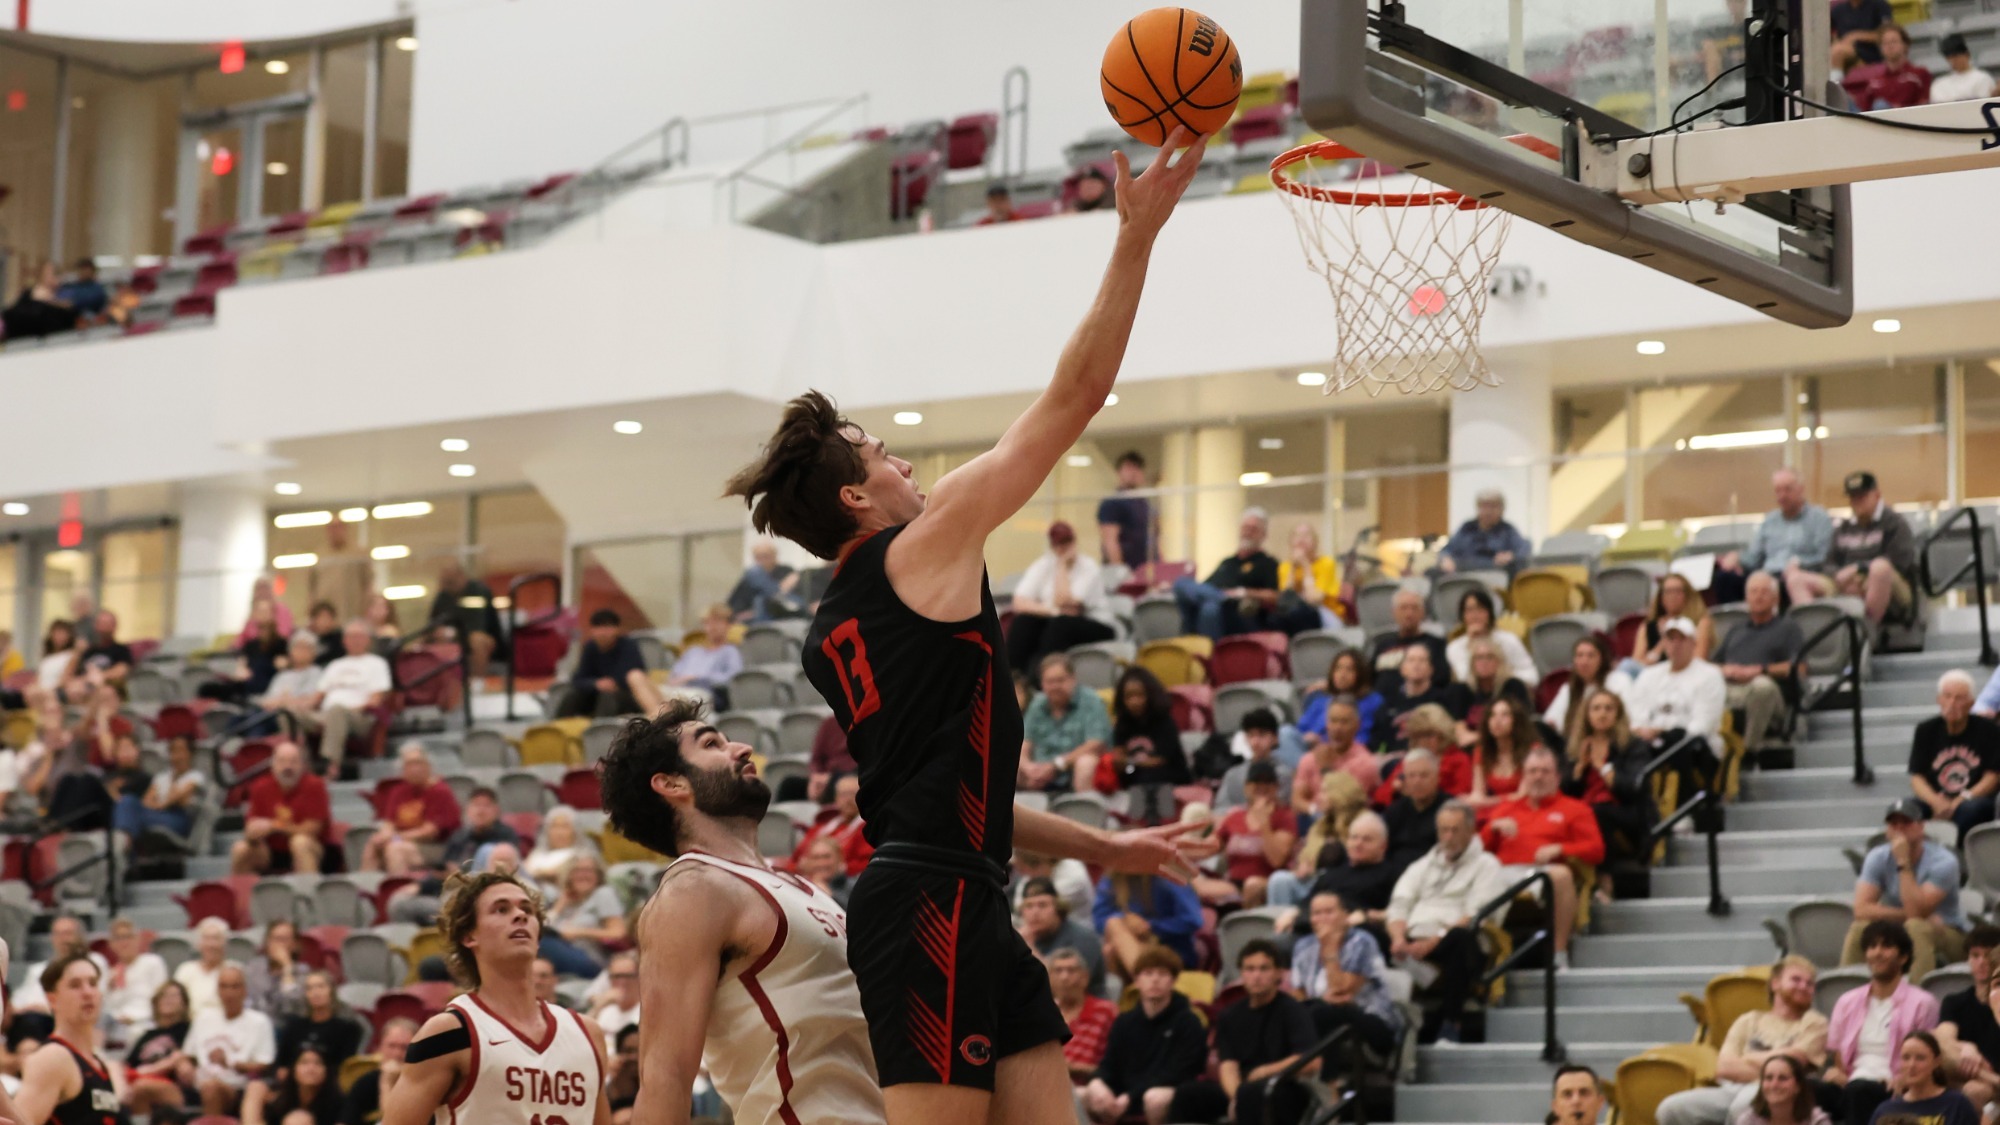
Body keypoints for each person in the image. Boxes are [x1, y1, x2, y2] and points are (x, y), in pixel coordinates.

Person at [726, 132, 1206, 1123]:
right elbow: (1071, 401)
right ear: (858, 496)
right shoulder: (920, 549)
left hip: (958, 888)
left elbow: (947, 806)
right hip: (928, 910)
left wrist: (1101, 849)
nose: (907, 463)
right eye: (886, 454)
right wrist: (1136, 236)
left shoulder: (836, 623)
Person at [594, 698, 886, 1124]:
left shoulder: (798, 885)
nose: (742, 748)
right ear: (673, 784)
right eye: (712, 744)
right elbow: (666, 1078)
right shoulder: (693, 891)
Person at [377, 871, 607, 1125]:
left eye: (527, 910)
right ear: (469, 936)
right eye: (501, 909)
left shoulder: (587, 1033)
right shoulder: (451, 1032)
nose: (520, 915)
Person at [1386, 799, 1508, 1044]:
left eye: (1455, 830)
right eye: (1443, 830)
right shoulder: (1421, 866)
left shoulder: (1487, 865)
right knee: (1367, 935)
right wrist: (1398, 939)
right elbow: (1399, 905)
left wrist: (1432, 942)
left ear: (1471, 831)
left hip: (1457, 939)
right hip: (1413, 939)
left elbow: (1476, 915)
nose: (1448, 837)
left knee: (1460, 939)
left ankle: (1451, 1024)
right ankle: (1388, 1026)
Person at [1654, 955, 1827, 1125]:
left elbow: (1795, 1060)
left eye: (1810, 984)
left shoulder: (1815, 1022)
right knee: (1670, 1108)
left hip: (1778, 1091)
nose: (1804, 987)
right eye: (1796, 980)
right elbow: (1724, 1067)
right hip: (1731, 1089)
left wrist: (1747, 1059)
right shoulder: (1749, 1019)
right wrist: (1777, 1060)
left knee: (1743, 1108)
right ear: (1775, 983)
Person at [1165, 939, 1318, 1125]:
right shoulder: (1229, 1015)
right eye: (1250, 969)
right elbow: (1228, 1065)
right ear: (1241, 973)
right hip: (1242, 1088)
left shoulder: (1293, 1010)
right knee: (1187, 1094)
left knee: (1252, 1093)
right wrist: (1236, 1098)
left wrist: (1266, 1071)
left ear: (1278, 973)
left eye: (1264, 969)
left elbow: (1311, 1061)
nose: (1256, 976)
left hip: (1283, 1087)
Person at [1481, 747, 1605, 969]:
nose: (1538, 777)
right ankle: (1482, 952)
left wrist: (1561, 849)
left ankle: (1558, 952)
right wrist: (1493, 828)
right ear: (1524, 777)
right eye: (1533, 771)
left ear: (1557, 777)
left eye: (1545, 771)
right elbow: (1477, 849)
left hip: (1542, 875)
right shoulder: (1506, 808)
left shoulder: (1575, 809)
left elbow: (1596, 850)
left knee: (1561, 874)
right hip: (1503, 873)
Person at [1824, 920, 1942, 1125]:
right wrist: (1837, 1074)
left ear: (1903, 957)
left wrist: (1905, 1078)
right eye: (1872, 946)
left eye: (1886, 946)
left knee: (1859, 1091)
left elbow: (1926, 1055)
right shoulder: (1847, 1001)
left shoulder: (1923, 1003)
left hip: (1893, 1085)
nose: (1877, 953)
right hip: (1851, 1083)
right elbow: (1838, 1057)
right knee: (1805, 1088)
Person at [1843, 799, 1970, 980]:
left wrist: (1903, 862)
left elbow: (1916, 912)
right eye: (1894, 824)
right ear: (1887, 830)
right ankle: (1847, 999)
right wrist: (1906, 915)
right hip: (1909, 926)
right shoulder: (1878, 857)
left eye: (1906, 823)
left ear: (1921, 827)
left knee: (1917, 927)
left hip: (1949, 932)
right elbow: (1861, 910)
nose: (1899, 829)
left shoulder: (1944, 861)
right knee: (1860, 928)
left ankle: (1917, 1001)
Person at [1081, 945, 1207, 1125]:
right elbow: (1109, 1064)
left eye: (1162, 974)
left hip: (1165, 1094)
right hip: (1123, 1094)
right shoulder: (1124, 1021)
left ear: (1173, 980)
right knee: (1082, 1093)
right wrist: (1098, 1082)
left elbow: (1179, 1072)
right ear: (1137, 981)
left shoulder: (1189, 1022)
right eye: (1148, 973)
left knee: (1154, 1098)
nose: (1155, 980)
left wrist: (1131, 1096)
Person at [1790, 472, 1919, 629]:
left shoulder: (1895, 523)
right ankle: (1816, 634)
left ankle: (1866, 631)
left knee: (1880, 567)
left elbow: (1900, 562)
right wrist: (1838, 576)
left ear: (1877, 496)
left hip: (1888, 585)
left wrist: (1859, 570)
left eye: (1862, 497)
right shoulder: (1843, 527)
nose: (1857, 502)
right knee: (1796, 579)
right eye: (1853, 497)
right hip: (1846, 582)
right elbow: (1828, 562)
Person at [1289, 889, 1402, 1059]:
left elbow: (1342, 992)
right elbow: (1299, 994)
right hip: (1323, 1013)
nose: (1322, 918)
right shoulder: (1303, 946)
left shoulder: (1362, 942)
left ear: (1345, 916)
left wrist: (1330, 948)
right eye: (1317, 913)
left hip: (1372, 1020)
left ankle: (1327, 1079)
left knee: (1323, 1013)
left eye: (1329, 912)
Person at [14, 955, 126, 1125]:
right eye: (75, 985)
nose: (88, 992)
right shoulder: (53, 1057)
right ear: (53, 999)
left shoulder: (99, 1062)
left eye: (93, 983)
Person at [1625, 616, 1727, 796]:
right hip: (1651, 740)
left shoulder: (1710, 675)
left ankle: (1687, 804)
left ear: (1693, 643)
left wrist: (1662, 732)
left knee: (1679, 740)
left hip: (1694, 744)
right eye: (1670, 639)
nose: (1675, 644)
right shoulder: (1649, 675)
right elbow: (1636, 713)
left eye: (1682, 639)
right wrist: (1642, 730)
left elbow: (1702, 725)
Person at [1560, 689, 1657, 879]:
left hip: (1627, 811)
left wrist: (1602, 767)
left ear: (1618, 715)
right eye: (1596, 708)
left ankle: (1605, 879)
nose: (1602, 713)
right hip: (1585, 809)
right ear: (1587, 715)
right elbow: (1564, 792)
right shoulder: (1576, 746)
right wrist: (1579, 769)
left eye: (1608, 708)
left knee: (1596, 812)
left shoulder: (1632, 745)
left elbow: (1633, 788)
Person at [1713, 570, 1805, 757]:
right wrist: (1726, 669)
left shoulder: (1788, 628)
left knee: (1761, 686)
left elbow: (1799, 668)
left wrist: (1759, 670)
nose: (1758, 597)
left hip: (1770, 693)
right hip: (1732, 687)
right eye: (1754, 592)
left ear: (1775, 599)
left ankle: (1748, 751)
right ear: (1746, 598)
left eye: (1764, 592)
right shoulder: (1736, 629)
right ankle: (1712, 751)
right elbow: (1712, 665)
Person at [1004, 521, 1116, 672]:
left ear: (1074, 541)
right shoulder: (1043, 565)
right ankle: (1014, 677)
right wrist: (1052, 611)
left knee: (1060, 625)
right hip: (1057, 618)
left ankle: (1045, 677)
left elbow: (1066, 604)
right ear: (1052, 546)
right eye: (1059, 544)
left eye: (1067, 542)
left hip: (1096, 624)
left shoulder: (1088, 567)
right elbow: (1019, 602)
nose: (1063, 547)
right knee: (1023, 622)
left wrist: (1062, 565)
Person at [1714, 468, 1834, 605]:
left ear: (1801, 489)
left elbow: (1824, 557)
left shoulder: (1819, 518)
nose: (1782, 496)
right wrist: (1737, 557)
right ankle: (1735, 624)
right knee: (1723, 578)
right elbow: (1753, 558)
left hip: (1799, 576)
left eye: (1787, 489)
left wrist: (1799, 563)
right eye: (1778, 491)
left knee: (1782, 584)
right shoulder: (1770, 521)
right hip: (1768, 576)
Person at [1271, 811, 1400, 938]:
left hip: (1355, 934)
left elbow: (1399, 912)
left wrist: (1367, 916)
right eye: (1354, 837)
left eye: (1367, 839)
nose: (1358, 843)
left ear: (1383, 846)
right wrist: (1291, 912)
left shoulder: (1392, 875)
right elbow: (1307, 902)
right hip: (1310, 931)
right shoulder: (1333, 873)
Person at [288, 621, 390, 777]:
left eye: (359, 636)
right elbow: (316, 698)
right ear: (344, 641)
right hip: (326, 714)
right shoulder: (334, 665)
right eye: (350, 636)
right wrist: (297, 705)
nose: (354, 640)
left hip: (360, 716)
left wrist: (347, 710)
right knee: (289, 714)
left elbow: (376, 700)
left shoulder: (377, 663)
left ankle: (332, 767)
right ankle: (301, 762)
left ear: (368, 640)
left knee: (337, 710)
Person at [1911, 671, 2000, 846]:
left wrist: (1962, 799)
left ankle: (1955, 856)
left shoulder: (1989, 731)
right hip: (1937, 797)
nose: (1952, 704)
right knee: (1905, 810)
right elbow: (1916, 777)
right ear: (1938, 699)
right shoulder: (1926, 730)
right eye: (1947, 696)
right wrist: (1935, 801)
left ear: (1971, 703)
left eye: (1959, 698)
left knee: (1970, 810)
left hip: (1973, 798)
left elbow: (1993, 777)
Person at [1170, 507, 1282, 639]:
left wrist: (1243, 592)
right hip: (1212, 606)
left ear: (1263, 534)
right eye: (1245, 528)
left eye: (1253, 529)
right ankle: (1220, 598)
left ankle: (1209, 653)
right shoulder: (1227, 563)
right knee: (1181, 583)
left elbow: (1275, 596)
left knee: (1210, 608)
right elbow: (1204, 588)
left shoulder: (1268, 563)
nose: (1248, 532)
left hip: (1238, 615)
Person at [187, 964, 276, 1116]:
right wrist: (183, 1065)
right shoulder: (203, 1017)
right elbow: (188, 1054)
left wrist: (230, 1063)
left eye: (235, 987)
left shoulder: (259, 1022)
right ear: (218, 990)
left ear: (245, 990)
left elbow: (264, 1064)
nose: (229, 993)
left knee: (211, 1088)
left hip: (236, 1087)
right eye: (224, 987)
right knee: (145, 1089)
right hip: (197, 1084)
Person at [360, 743, 460, 875]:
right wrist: (383, 837)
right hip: (403, 841)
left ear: (428, 766)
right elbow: (389, 823)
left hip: (437, 847)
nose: (414, 769)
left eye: (418, 763)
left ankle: (399, 891)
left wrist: (395, 838)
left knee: (395, 849)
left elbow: (429, 832)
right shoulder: (398, 791)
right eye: (409, 764)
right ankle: (366, 889)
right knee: (373, 843)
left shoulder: (440, 791)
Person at [1019, 653, 1114, 794]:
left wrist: (1057, 765)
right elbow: (1024, 743)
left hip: (1071, 767)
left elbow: (1096, 744)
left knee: (1086, 763)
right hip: (1039, 771)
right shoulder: (1037, 704)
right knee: (1009, 765)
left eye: (1060, 680)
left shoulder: (1091, 701)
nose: (1055, 686)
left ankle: (1083, 810)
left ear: (1073, 679)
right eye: (1050, 682)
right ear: (1042, 684)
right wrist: (1028, 767)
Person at [233, 740, 331, 875]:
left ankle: (309, 892)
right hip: (270, 851)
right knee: (241, 848)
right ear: (272, 765)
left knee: (299, 842)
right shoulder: (260, 787)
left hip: (312, 847)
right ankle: (240, 894)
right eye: (282, 761)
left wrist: (275, 826)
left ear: (303, 765)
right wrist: (253, 832)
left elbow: (312, 829)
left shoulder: (315, 785)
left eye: (293, 762)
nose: (287, 767)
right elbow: (250, 827)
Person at [1106, 666, 1192, 811]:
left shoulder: (1163, 720)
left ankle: (1161, 818)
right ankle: (1132, 822)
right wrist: (1121, 762)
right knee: (1126, 775)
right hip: (1135, 770)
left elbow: (1160, 759)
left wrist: (1129, 761)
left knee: (1147, 777)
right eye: (1129, 697)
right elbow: (1119, 756)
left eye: (1139, 695)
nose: (1135, 701)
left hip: (1168, 772)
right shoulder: (1122, 723)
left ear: (1150, 695)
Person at [1094, 871, 1205, 982]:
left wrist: (1149, 926)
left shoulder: (1170, 874)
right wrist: (1127, 919)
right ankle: (1145, 988)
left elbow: (1193, 920)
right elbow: (1099, 920)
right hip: (1132, 947)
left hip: (1171, 949)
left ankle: (1146, 986)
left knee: (1111, 942)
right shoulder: (1114, 876)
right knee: (1110, 944)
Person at [1933, 925, 2000, 1106]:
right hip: (1972, 1074)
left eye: (1987, 955)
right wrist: (1966, 1047)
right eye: (1975, 955)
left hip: (1987, 1082)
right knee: (1933, 1045)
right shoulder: (1955, 1001)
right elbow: (1943, 1039)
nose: (1981, 962)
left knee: (1974, 1090)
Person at [539, 851, 627, 978]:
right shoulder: (567, 901)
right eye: (577, 870)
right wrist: (560, 905)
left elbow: (618, 933)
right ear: (569, 875)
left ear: (598, 875)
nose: (583, 875)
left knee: (540, 941)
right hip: (565, 956)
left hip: (592, 959)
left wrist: (578, 932)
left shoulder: (603, 893)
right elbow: (543, 926)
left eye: (589, 870)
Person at [1019, 876, 1105, 997]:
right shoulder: (1025, 936)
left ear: (1058, 908)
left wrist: (1029, 948)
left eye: (1042, 905)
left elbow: (1065, 987)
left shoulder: (1084, 938)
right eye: (1029, 906)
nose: (1035, 912)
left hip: (1084, 1008)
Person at [1291, 701, 1380, 819]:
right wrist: (1314, 810)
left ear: (1357, 725)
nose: (1338, 728)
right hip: (1312, 820)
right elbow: (1296, 802)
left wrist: (1325, 769)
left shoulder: (1365, 763)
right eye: (1333, 721)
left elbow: (1341, 806)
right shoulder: (1310, 758)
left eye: (1344, 722)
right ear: (1326, 724)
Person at [1868, 1031, 1979, 1125]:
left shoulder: (1957, 1104)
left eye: (1920, 1058)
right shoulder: (1885, 1111)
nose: (1912, 1065)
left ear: (1936, 1062)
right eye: (1906, 1058)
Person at [1373, 646, 1467, 754]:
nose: (1416, 665)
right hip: (1394, 760)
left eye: (1422, 660)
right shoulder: (1389, 703)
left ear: (1431, 669)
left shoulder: (1443, 701)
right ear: (1402, 669)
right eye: (1411, 660)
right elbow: (1377, 741)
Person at [556, 609, 649, 718]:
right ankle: (556, 727)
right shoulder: (591, 647)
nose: (603, 632)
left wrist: (610, 684)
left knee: (607, 696)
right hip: (597, 693)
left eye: (608, 627)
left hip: (626, 696)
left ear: (617, 629)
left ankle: (601, 729)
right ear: (592, 630)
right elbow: (578, 678)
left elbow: (634, 676)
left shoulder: (628, 647)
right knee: (573, 695)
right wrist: (595, 683)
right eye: (599, 627)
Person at [124, 980, 194, 1123]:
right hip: (141, 1081)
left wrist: (147, 1072)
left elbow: (183, 1060)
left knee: (142, 1087)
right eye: (164, 996)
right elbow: (127, 1066)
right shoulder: (146, 1035)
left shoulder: (188, 1030)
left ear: (184, 1003)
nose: (168, 1000)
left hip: (175, 1088)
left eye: (174, 996)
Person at [1048, 947, 1117, 1087]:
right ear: (1049, 978)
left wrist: (1071, 1068)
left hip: (1089, 1087)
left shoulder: (1106, 1011)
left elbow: (1116, 1066)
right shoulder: (1043, 1013)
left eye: (1071, 970)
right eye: (1058, 971)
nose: (1064, 977)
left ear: (1085, 977)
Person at [1445, 588, 1539, 689]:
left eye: (1480, 609)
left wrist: (1504, 676)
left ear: (1489, 613)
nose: (1475, 615)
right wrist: (1471, 645)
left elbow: (1532, 676)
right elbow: (1463, 679)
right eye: (1470, 610)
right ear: (1463, 616)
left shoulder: (1509, 640)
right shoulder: (1455, 647)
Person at [1369, 587, 1452, 698]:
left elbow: (1441, 679)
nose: (1409, 614)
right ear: (1393, 613)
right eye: (1403, 608)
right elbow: (1370, 679)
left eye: (1414, 608)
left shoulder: (1436, 644)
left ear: (1423, 613)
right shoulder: (1382, 645)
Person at [1544, 635, 1631, 741]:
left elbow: (1628, 718)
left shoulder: (1619, 680)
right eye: (1579, 656)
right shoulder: (1568, 689)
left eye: (1591, 656)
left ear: (1602, 659)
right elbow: (1551, 721)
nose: (1584, 662)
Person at [1627, 573, 1714, 677]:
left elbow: (1699, 659)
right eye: (1668, 592)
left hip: (1688, 675)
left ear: (1688, 595)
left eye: (1678, 591)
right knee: (1627, 666)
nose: (1673, 596)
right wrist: (1661, 645)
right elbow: (1636, 663)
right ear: (1660, 596)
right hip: (1653, 677)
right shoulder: (1647, 626)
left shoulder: (1700, 622)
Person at [784, 773, 872, 875]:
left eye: (853, 794)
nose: (848, 800)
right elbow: (795, 860)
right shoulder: (821, 827)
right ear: (836, 799)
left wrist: (838, 869)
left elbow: (867, 865)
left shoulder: (868, 829)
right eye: (843, 794)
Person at [428, 560, 502, 677]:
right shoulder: (443, 596)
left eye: (451, 581)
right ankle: (446, 684)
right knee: (438, 637)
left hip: (484, 640)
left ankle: (478, 682)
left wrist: (452, 633)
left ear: (461, 576)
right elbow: (432, 624)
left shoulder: (478, 591)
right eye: (445, 581)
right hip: (454, 640)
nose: (448, 585)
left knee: (477, 639)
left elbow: (477, 625)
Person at [102, 917, 169, 1047]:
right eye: (118, 938)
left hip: (146, 1022)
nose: (124, 942)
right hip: (116, 1025)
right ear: (111, 944)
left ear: (138, 939)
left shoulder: (152, 962)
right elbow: (107, 1008)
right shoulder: (111, 974)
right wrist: (109, 987)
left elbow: (161, 999)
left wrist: (135, 1018)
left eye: (127, 937)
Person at [1301, 649, 1384, 753]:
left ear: (1360, 674)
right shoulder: (1320, 700)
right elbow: (1300, 731)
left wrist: (1322, 741)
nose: (1342, 675)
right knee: (1286, 733)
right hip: (1310, 751)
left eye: (1349, 670)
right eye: (1338, 669)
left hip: (1346, 753)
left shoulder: (1372, 701)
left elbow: (1364, 740)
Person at [1437, 489, 1532, 577]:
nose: (1488, 512)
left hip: (1492, 574)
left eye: (1493, 507)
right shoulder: (1467, 528)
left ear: (1502, 510)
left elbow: (1524, 549)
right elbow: (1447, 550)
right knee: (1431, 573)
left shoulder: (1507, 530)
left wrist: (1511, 556)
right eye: (1484, 506)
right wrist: (1445, 559)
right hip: (1462, 572)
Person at [241, 1043, 342, 1125]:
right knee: (256, 1087)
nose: (311, 1069)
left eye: (318, 1063)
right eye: (304, 1063)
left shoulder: (337, 1102)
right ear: (293, 1070)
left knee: (298, 1119)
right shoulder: (278, 1096)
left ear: (327, 1071)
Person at [1470, 695, 1539, 814]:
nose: (1497, 720)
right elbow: (1477, 793)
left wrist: (1486, 801)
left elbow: (1522, 796)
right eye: (1492, 715)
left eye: (1505, 715)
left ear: (1517, 720)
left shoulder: (1533, 751)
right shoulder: (1481, 750)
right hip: (1496, 810)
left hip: (1526, 810)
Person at [339, 1017, 414, 1125]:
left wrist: (387, 1081)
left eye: (404, 1047)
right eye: (391, 1046)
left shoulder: (424, 1083)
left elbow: (394, 1122)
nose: (397, 1054)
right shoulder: (366, 1081)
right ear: (380, 1048)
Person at [1216, 709, 1295, 810]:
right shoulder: (1233, 775)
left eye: (1262, 735)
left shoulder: (1284, 774)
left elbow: (1278, 807)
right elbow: (1219, 809)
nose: (1255, 742)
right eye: (1251, 735)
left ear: (1275, 738)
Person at [667, 603, 743, 708]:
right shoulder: (693, 652)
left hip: (705, 695)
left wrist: (697, 678)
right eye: (707, 623)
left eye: (717, 622)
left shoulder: (730, 651)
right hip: (676, 692)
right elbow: (673, 676)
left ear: (728, 626)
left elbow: (733, 679)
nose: (712, 627)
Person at [1841, 24, 1930, 112]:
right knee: (1843, 98)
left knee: (1880, 105)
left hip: (1904, 121)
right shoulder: (1875, 81)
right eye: (1885, 43)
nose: (1889, 46)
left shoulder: (1919, 74)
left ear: (1905, 45)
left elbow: (1924, 107)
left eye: (1893, 41)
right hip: (1875, 121)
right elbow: (1865, 110)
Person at [1097, 450, 1157, 576]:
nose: (1133, 472)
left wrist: (1159, 567)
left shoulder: (1145, 504)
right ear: (1119, 471)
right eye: (1129, 467)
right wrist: (1120, 572)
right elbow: (1110, 541)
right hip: (1122, 575)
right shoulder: (1113, 502)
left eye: (1137, 468)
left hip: (1144, 571)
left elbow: (1153, 539)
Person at [1383, 746, 1448, 863]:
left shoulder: (1451, 810)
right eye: (1412, 776)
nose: (1417, 782)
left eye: (1424, 775)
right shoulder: (1394, 811)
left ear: (1437, 778)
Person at [1276, 521, 1341, 634]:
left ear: (1315, 542)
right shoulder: (1285, 567)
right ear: (1290, 543)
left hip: (1324, 613)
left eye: (1307, 535)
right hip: (1294, 613)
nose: (1301, 540)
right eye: (1297, 536)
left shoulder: (1326, 563)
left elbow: (1314, 600)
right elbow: (1286, 600)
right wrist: (1293, 568)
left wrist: (1306, 566)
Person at [1735, 1054, 1832, 1125]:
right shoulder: (1748, 1121)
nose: (1774, 1085)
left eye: (1782, 1078)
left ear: (1798, 1087)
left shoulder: (1817, 1122)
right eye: (1768, 1078)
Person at [242, 920, 306, 1020]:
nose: (277, 945)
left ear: (294, 945)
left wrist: (287, 968)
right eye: (274, 939)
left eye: (283, 940)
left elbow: (291, 1010)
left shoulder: (303, 973)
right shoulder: (253, 968)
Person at [728, 538, 804, 623]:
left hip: (782, 613)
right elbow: (735, 601)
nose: (762, 560)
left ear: (774, 556)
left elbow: (793, 598)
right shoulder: (750, 577)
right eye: (758, 557)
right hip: (752, 616)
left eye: (765, 556)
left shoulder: (786, 571)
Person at [172, 917, 231, 1016]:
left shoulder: (234, 970)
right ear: (199, 944)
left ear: (225, 943)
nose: (211, 944)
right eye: (206, 938)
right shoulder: (185, 970)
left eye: (216, 938)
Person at [524, 804, 598, 883]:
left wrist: (540, 873)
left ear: (575, 831)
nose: (559, 832)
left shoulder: (583, 855)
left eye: (565, 827)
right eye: (554, 826)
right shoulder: (536, 854)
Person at [586, 951, 642, 1038]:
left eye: (628, 976)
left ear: (639, 978)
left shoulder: (644, 1012)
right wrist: (599, 1005)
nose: (622, 982)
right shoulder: (605, 1011)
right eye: (616, 976)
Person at [1931, 34, 1997, 103]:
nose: (1953, 60)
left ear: (1966, 54)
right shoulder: (1939, 84)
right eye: (1949, 57)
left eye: (1955, 56)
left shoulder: (1982, 78)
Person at [1831, 0, 1895, 70]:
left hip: (1869, 53)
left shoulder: (1880, 5)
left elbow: (1888, 34)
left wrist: (1856, 36)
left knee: (1838, 52)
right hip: (1844, 50)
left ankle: (1835, 80)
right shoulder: (1838, 10)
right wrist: (1835, 40)